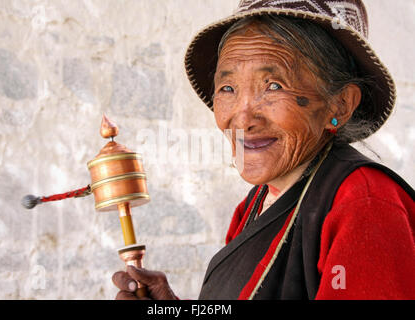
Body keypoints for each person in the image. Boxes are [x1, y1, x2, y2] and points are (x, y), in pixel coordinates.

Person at [112, 0, 415, 300]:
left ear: (340, 104)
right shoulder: (257, 203)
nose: (242, 119)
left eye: (273, 86)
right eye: (228, 88)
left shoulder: (364, 204)